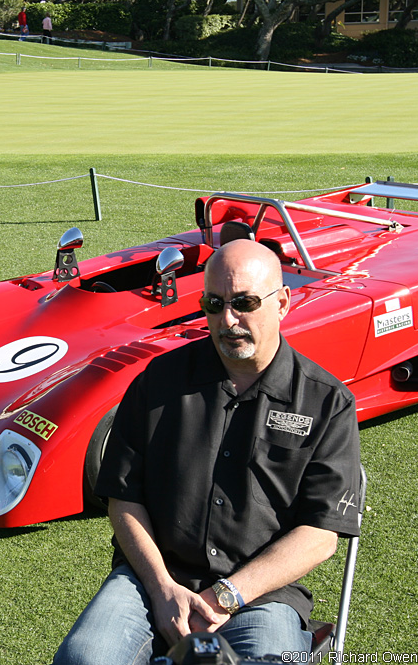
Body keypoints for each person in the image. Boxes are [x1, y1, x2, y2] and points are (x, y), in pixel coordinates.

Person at [51, 239, 362, 663]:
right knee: (83, 659)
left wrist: (228, 594)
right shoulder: (159, 380)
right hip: (154, 581)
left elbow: (321, 534)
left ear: (283, 302)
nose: (227, 319)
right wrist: (161, 588)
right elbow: (124, 498)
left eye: (244, 302)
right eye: (213, 303)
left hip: (262, 595)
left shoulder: (327, 402)